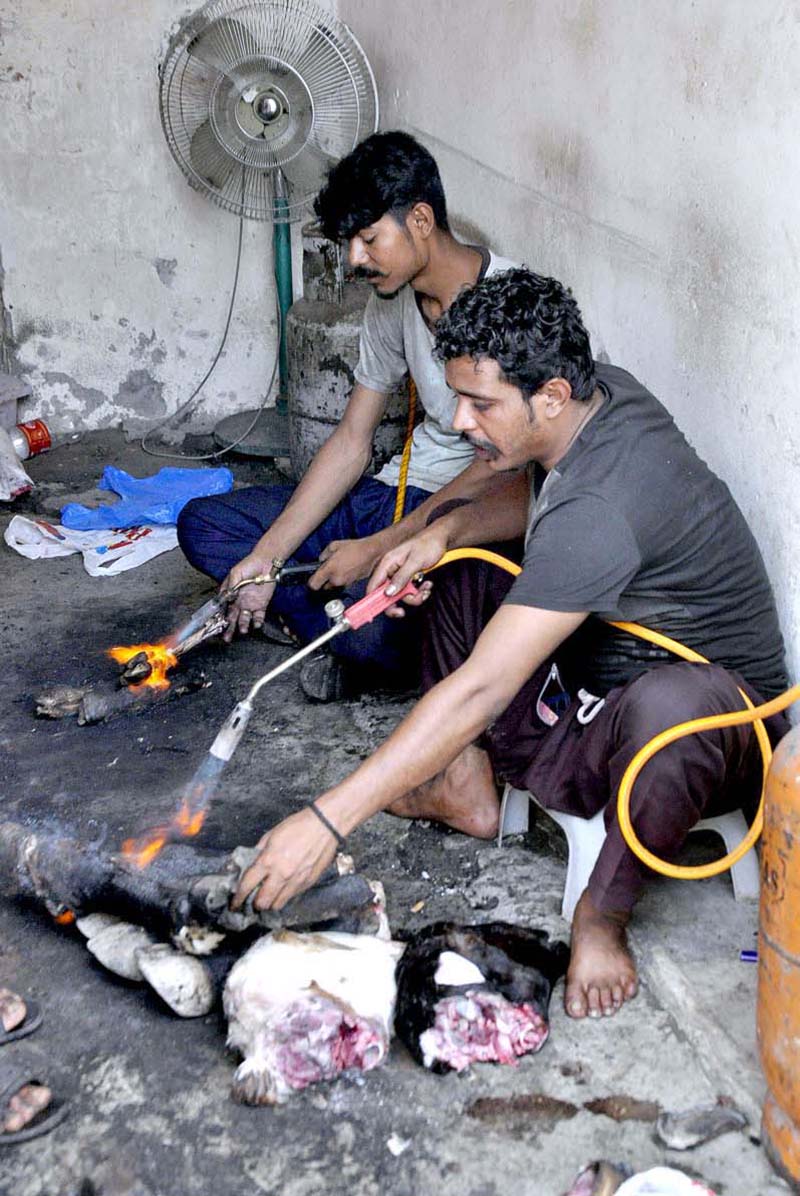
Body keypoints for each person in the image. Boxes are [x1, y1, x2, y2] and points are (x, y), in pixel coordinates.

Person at [231, 267, 788, 1021]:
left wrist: (328, 821)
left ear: (551, 395)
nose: (460, 421)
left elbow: (485, 687)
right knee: (462, 570)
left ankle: (601, 916)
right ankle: (462, 782)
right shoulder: (599, 395)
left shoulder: (602, 509)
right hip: (607, 664)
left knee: (673, 713)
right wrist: (440, 533)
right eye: (459, 397)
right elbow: (530, 494)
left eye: (481, 403)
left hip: (717, 732)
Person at [177, 131, 517, 701]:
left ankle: (341, 628)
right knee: (205, 526)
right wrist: (266, 560)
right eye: (351, 243)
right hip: (389, 495)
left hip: (457, 516)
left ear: (421, 220)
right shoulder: (393, 303)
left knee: (385, 636)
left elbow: (502, 467)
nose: (356, 260)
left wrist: (384, 545)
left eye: (368, 238)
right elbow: (353, 440)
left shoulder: (511, 302)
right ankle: (333, 618)